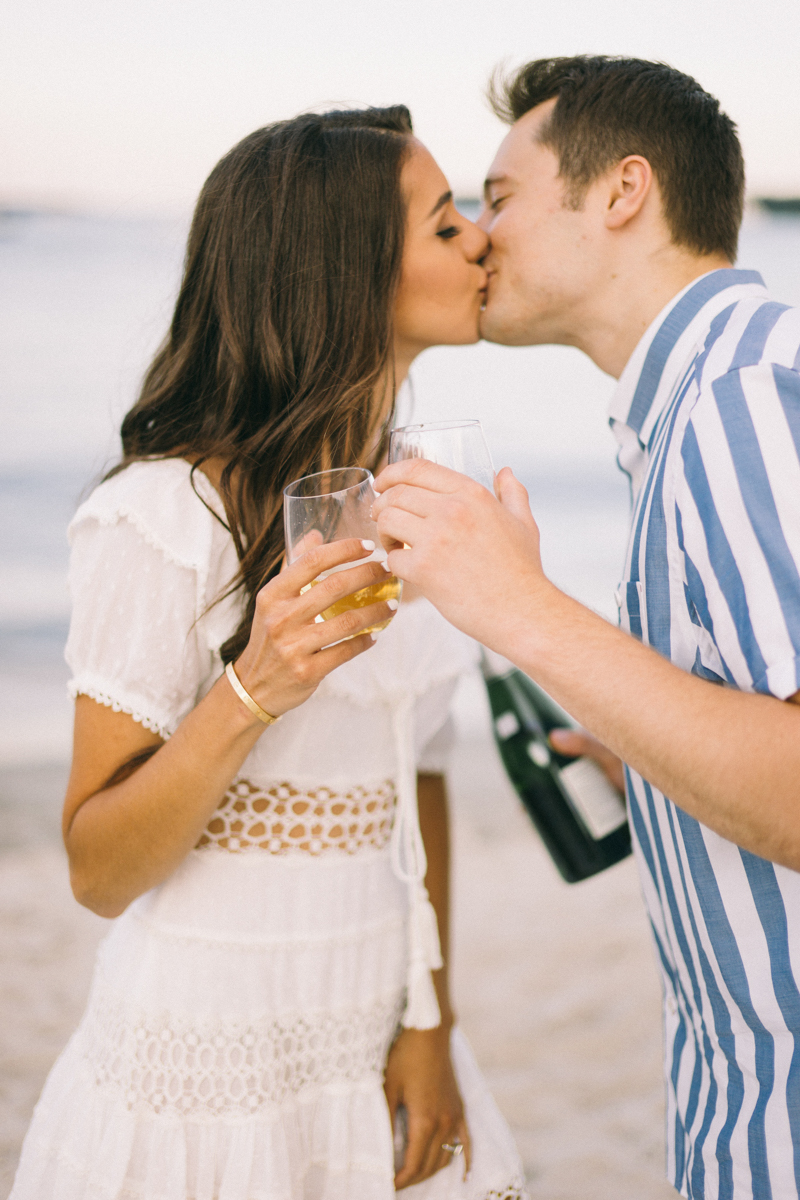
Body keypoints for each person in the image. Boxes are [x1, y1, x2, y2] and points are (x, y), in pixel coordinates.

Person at [11, 107, 527, 1200]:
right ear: (344, 278)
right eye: (444, 227)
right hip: (204, 1054)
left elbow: (414, 774)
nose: (480, 238)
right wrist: (253, 690)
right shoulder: (165, 518)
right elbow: (100, 872)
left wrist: (429, 1021)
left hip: (377, 1030)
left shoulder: (416, 502)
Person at [373, 57, 800, 1200]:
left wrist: (518, 610)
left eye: (498, 198)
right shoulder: (701, 406)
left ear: (620, 193)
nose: (476, 233)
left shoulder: (737, 404)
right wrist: (651, 757)